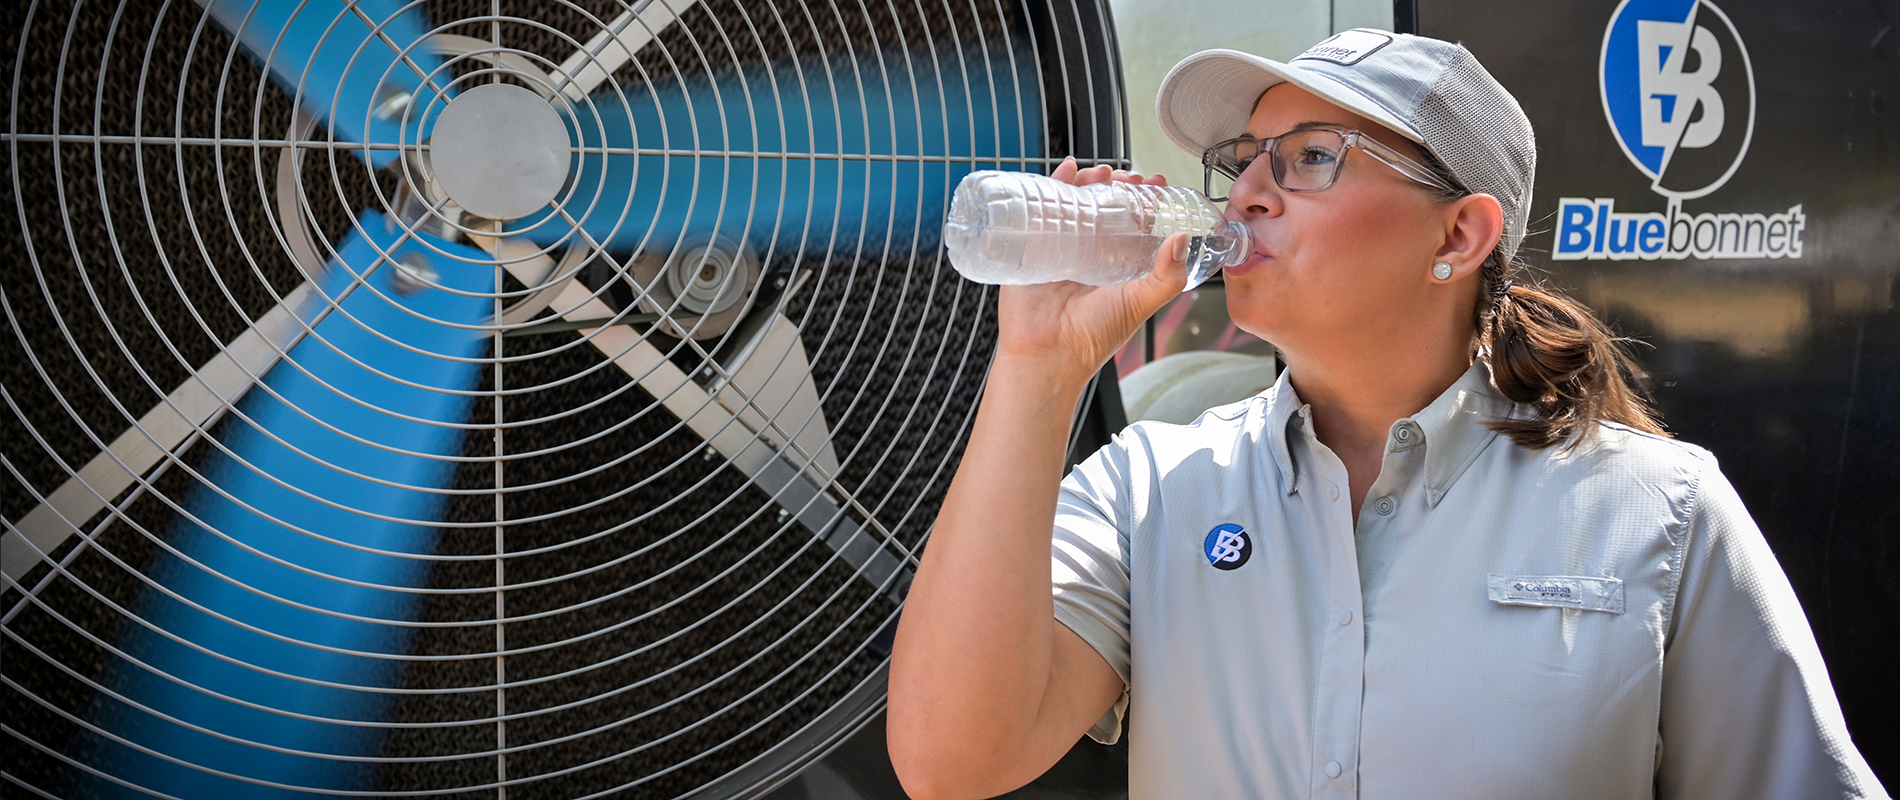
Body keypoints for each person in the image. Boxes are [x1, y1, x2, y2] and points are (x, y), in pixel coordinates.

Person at [886, 28, 1888, 800]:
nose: (1249, 194)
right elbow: (949, 758)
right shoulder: (1148, 486)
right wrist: (1037, 364)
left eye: (1310, 155)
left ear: (1458, 232)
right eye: (1245, 156)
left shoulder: (1658, 510)